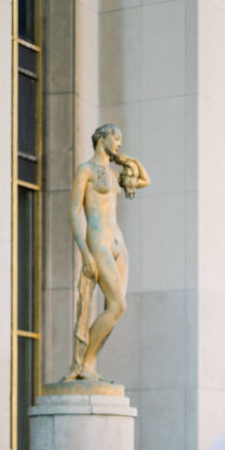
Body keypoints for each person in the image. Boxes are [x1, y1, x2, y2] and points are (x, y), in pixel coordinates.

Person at [63, 124, 150, 382]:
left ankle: (88, 365)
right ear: (102, 138)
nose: (119, 144)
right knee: (117, 305)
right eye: (116, 138)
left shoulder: (113, 174)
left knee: (117, 307)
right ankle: (83, 363)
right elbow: (74, 211)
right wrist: (84, 252)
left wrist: (127, 161)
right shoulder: (86, 170)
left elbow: (145, 180)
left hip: (118, 243)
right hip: (98, 241)